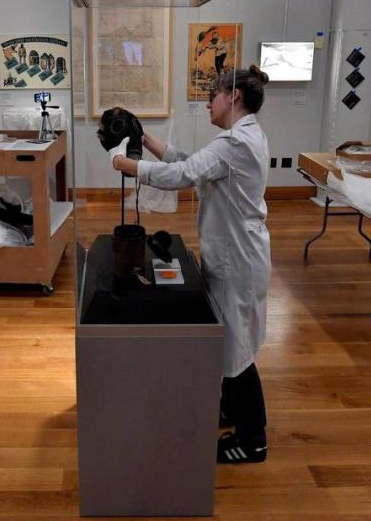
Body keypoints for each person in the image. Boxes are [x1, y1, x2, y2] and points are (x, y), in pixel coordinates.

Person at [108, 65, 272, 464]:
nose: (207, 104)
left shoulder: (234, 143)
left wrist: (125, 165)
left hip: (238, 260)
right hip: (234, 254)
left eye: (212, 96)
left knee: (237, 351)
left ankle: (253, 440)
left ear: (232, 97)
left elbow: (181, 174)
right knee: (231, 343)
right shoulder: (236, 140)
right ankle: (232, 410)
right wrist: (142, 138)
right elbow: (190, 163)